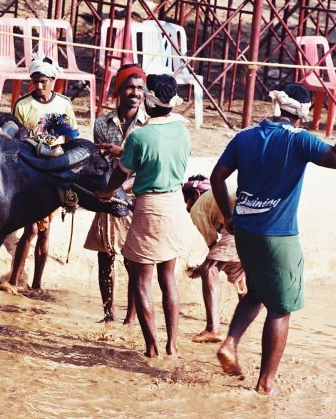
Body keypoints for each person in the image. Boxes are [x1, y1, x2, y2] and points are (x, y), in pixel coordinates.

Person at [211, 82, 336, 395]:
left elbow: (217, 177)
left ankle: (230, 343)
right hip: (278, 237)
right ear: (301, 114)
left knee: (257, 292)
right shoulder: (297, 140)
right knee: (280, 309)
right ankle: (265, 385)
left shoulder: (245, 136)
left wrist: (228, 216)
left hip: (244, 231)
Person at [98, 74, 191, 357]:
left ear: (148, 101)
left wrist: (105, 193)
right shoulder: (183, 130)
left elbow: (120, 173)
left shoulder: (140, 136)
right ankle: (172, 345)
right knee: (168, 277)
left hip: (149, 205)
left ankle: (151, 348)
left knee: (142, 279)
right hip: (176, 204)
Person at [7, 53, 78, 291]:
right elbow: (14, 137)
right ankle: (15, 281)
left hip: (53, 171)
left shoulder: (64, 104)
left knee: (44, 231)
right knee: (31, 228)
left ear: (52, 80)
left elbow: (71, 139)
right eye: (35, 81)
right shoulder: (23, 104)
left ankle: (36, 283)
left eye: (43, 81)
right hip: (29, 170)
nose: (39, 86)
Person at [84, 64, 147, 323]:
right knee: (105, 255)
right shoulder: (102, 123)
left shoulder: (148, 125)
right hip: (108, 195)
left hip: (134, 197)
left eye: (139, 88)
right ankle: (108, 313)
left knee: (132, 260)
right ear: (119, 91)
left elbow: (148, 167)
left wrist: (119, 188)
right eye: (129, 87)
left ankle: (131, 317)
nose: (134, 93)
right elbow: (100, 163)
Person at [182, 174, 246, 343]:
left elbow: (213, 246)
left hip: (240, 228)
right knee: (238, 275)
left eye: (186, 200)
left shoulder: (197, 208)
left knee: (209, 269)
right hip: (259, 225)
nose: (186, 206)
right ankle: (246, 323)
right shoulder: (215, 201)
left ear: (195, 195)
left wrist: (200, 269)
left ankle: (213, 329)